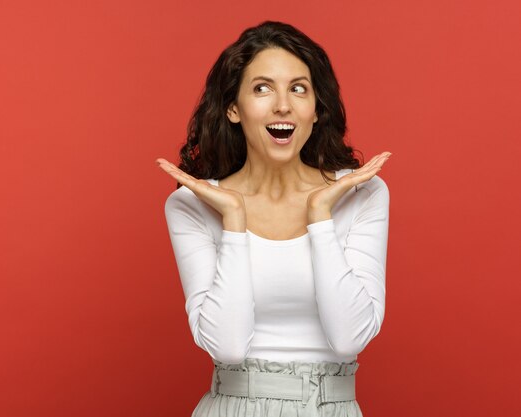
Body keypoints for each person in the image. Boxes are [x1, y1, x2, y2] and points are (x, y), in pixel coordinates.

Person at [156, 21, 391, 417]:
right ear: (234, 108)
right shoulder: (194, 205)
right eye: (262, 88)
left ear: (316, 110)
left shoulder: (361, 194)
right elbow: (227, 345)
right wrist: (233, 218)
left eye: (298, 88)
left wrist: (319, 216)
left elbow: (350, 338)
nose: (282, 104)